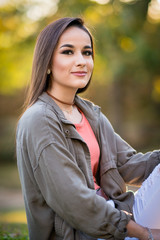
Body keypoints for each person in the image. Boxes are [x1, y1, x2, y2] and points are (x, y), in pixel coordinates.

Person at [16, 17, 160, 240]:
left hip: (119, 218)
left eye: (87, 52)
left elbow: (126, 165)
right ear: (46, 63)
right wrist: (143, 233)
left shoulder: (90, 114)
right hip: (84, 233)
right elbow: (72, 199)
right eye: (68, 52)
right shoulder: (39, 120)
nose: (82, 61)